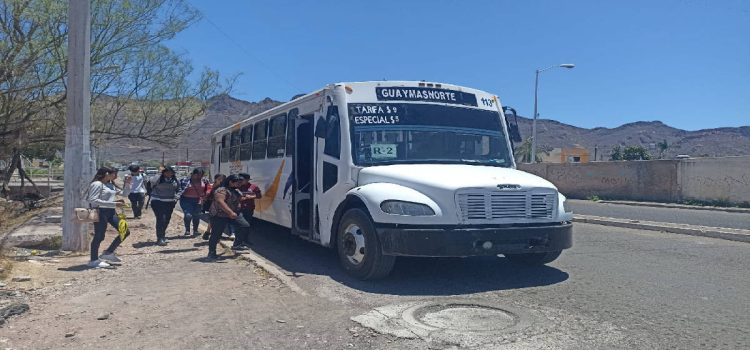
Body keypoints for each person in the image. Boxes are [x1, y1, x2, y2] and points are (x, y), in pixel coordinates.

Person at [86, 167, 128, 268]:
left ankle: (108, 253)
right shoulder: (97, 184)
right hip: (100, 212)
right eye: (114, 174)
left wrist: (128, 183)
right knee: (99, 236)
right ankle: (94, 260)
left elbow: (125, 194)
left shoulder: (110, 184)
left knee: (125, 231)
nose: (116, 176)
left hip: (111, 212)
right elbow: (93, 200)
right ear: (107, 173)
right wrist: (113, 204)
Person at [207, 175, 251, 260]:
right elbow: (220, 201)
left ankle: (237, 245)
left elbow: (237, 199)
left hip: (233, 213)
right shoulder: (221, 190)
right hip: (219, 215)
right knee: (216, 234)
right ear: (230, 182)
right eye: (237, 182)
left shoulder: (236, 190)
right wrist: (230, 212)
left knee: (244, 225)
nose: (239, 184)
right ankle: (211, 252)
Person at [148, 166, 179, 246]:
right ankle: (160, 238)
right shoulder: (158, 178)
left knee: (167, 220)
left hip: (170, 202)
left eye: (170, 172)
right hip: (157, 201)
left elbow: (179, 189)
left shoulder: (175, 180)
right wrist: (159, 173)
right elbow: (150, 182)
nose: (168, 173)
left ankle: (162, 235)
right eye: (166, 172)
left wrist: (176, 197)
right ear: (163, 172)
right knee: (161, 219)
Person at [177, 168, 210, 236]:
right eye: (197, 175)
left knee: (196, 215)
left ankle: (195, 230)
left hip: (198, 200)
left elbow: (207, 189)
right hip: (186, 200)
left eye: (201, 175)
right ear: (193, 174)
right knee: (188, 215)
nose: (199, 177)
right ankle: (187, 230)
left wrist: (205, 196)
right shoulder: (185, 180)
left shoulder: (205, 181)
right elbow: (178, 189)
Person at [237, 173, 261, 248]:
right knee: (240, 226)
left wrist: (250, 197)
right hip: (239, 209)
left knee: (247, 225)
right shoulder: (237, 186)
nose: (240, 181)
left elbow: (259, 196)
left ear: (247, 180)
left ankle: (245, 240)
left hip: (249, 208)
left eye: (242, 180)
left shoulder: (253, 187)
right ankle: (238, 242)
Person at [201, 173, 226, 240]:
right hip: (214, 206)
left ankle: (210, 233)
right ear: (216, 179)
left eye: (222, 179)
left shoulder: (225, 187)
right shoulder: (212, 186)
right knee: (213, 220)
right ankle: (209, 233)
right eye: (219, 179)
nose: (221, 180)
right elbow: (207, 194)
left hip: (223, 206)